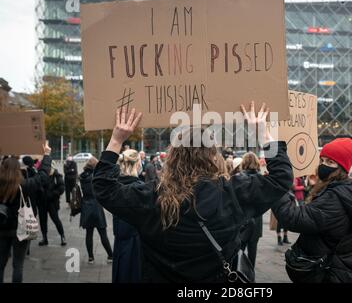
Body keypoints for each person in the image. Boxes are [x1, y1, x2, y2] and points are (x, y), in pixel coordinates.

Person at [92, 103, 293, 282]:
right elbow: (281, 178)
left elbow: (104, 188)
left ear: (173, 157)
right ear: (213, 156)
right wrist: (264, 135)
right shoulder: (232, 192)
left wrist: (116, 140)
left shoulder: (152, 196)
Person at [271, 138, 352, 283]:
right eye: (322, 160)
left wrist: (277, 183)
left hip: (327, 274)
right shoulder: (343, 190)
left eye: (330, 162)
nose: (323, 165)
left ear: (341, 168)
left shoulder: (334, 198)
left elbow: (293, 218)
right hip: (333, 270)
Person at [0, 143, 52, 283]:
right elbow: (42, 176)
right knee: (18, 265)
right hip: (20, 229)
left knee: (1, 264)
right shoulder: (24, 185)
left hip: (2, 228)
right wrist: (46, 155)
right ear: (18, 170)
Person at [113, 149, 144, 283]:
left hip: (120, 242)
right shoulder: (141, 188)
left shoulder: (115, 186)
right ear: (137, 164)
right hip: (137, 243)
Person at [79, 157, 113, 264]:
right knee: (103, 233)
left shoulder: (82, 177)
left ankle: (90, 257)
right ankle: (110, 255)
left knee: (89, 234)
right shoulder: (96, 177)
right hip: (96, 207)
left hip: (86, 207)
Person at [238, 152, 263, 268]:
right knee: (252, 252)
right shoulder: (261, 179)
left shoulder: (238, 178)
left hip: (242, 221)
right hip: (257, 220)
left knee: (239, 253)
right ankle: (250, 276)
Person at [38, 162, 66, 246]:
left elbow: (61, 188)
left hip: (52, 202)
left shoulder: (56, 175)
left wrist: (53, 194)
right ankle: (44, 238)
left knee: (56, 219)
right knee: (43, 221)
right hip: (42, 202)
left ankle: (62, 236)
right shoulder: (40, 174)